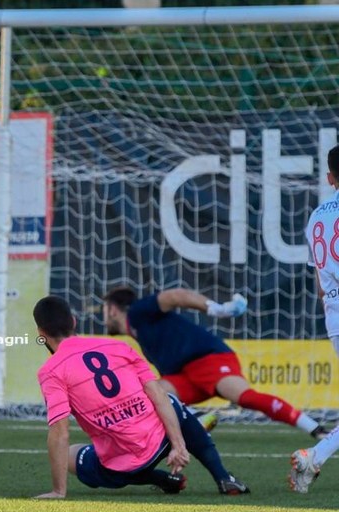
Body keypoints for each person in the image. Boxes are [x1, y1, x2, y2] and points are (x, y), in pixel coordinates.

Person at [32, 295, 249, 498]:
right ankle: (223, 477)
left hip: (120, 467)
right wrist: (178, 445)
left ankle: (161, 479)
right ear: (74, 321)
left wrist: (58, 491)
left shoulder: (50, 371)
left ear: (41, 335)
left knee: (71, 456)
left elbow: (60, 432)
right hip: (161, 441)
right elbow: (157, 393)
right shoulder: (118, 346)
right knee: (171, 402)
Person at [103, 286, 327, 440]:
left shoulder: (138, 312)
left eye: (104, 310)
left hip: (208, 358)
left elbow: (175, 296)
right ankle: (197, 420)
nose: (103, 317)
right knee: (154, 393)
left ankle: (315, 427)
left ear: (113, 309)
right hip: (185, 374)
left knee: (244, 398)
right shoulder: (139, 332)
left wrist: (216, 308)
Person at [289, 143, 339, 493]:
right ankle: (315, 455)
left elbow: (321, 288)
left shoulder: (317, 216)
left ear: (329, 177)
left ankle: (315, 456)